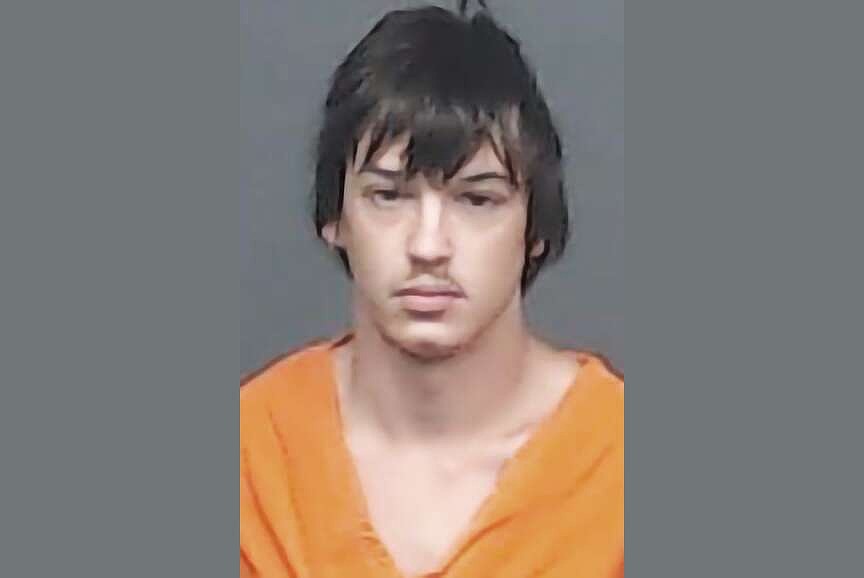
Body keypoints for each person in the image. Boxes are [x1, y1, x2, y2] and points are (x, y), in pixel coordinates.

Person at [240, 2, 623, 577]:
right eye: (388, 196)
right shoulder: (254, 453)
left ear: (535, 227)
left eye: (477, 199)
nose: (428, 245)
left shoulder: (617, 460)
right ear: (335, 218)